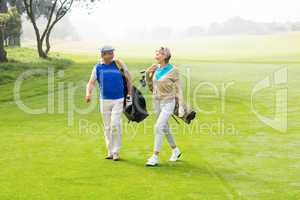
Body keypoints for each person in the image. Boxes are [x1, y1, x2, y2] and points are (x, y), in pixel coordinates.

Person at [85, 45, 132, 161]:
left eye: (112, 52)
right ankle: (110, 151)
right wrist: (88, 93)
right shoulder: (97, 67)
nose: (112, 55)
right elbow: (91, 82)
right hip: (104, 100)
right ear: (103, 55)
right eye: (109, 53)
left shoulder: (118, 64)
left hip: (119, 99)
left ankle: (116, 151)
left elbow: (128, 78)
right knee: (107, 127)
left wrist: (129, 94)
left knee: (115, 124)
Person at [145, 47, 185, 166]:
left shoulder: (174, 70)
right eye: (156, 53)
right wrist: (148, 73)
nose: (156, 55)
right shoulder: (156, 68)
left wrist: (181, 106)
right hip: (156, 102)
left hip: (168, 102)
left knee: (158, 127)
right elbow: (151, 87)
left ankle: (155, 156)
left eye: (159, 54)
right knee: (164, 128)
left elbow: (179, 89)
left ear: (165, 56)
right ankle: (175, 150)